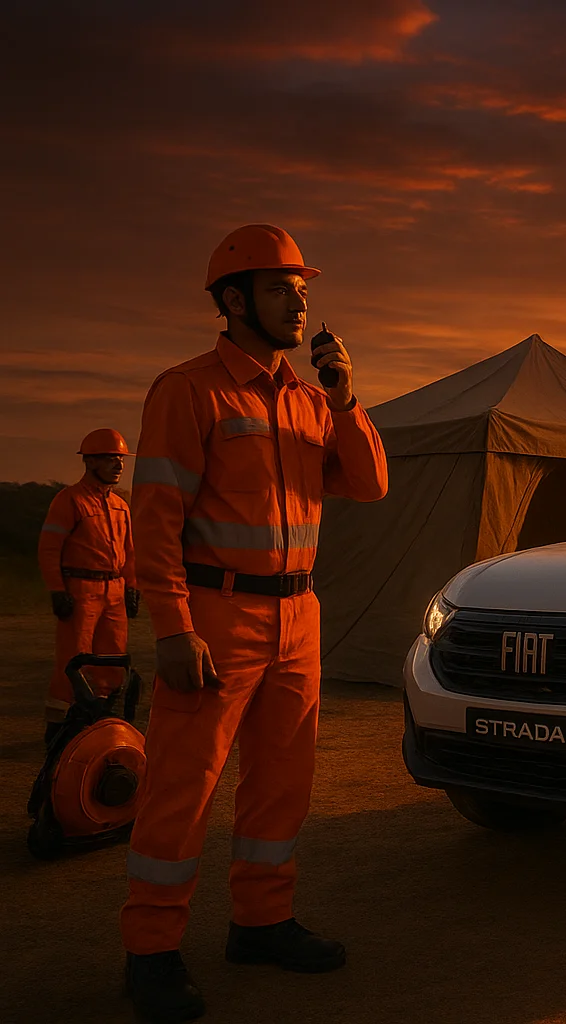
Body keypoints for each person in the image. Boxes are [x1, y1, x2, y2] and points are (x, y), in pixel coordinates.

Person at [121, 224, 388, 1023]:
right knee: (182, 788)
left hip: (298, 616)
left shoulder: (313, 401)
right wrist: (172, 626)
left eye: (303, 289)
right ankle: (151, 951)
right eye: (280, 289)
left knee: (282, 786)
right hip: (217, 613)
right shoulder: (189, 390)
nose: (298, 302)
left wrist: (344, 398)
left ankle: (262, 923)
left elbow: (369, 484)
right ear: (233, 302)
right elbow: (158, 517)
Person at [37, 429, 140, 742]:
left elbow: (131, 552)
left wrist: (133, 587)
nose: (118, 465)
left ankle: (101, 722)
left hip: (114, 591)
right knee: (73, 659)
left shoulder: (121, 506)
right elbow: (49, 548)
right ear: (90, 461)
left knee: (112, 661)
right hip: (80, 590)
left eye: (120, 459)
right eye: (111, 459)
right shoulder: (69, 501)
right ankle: (59, 728)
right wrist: (57, 589)